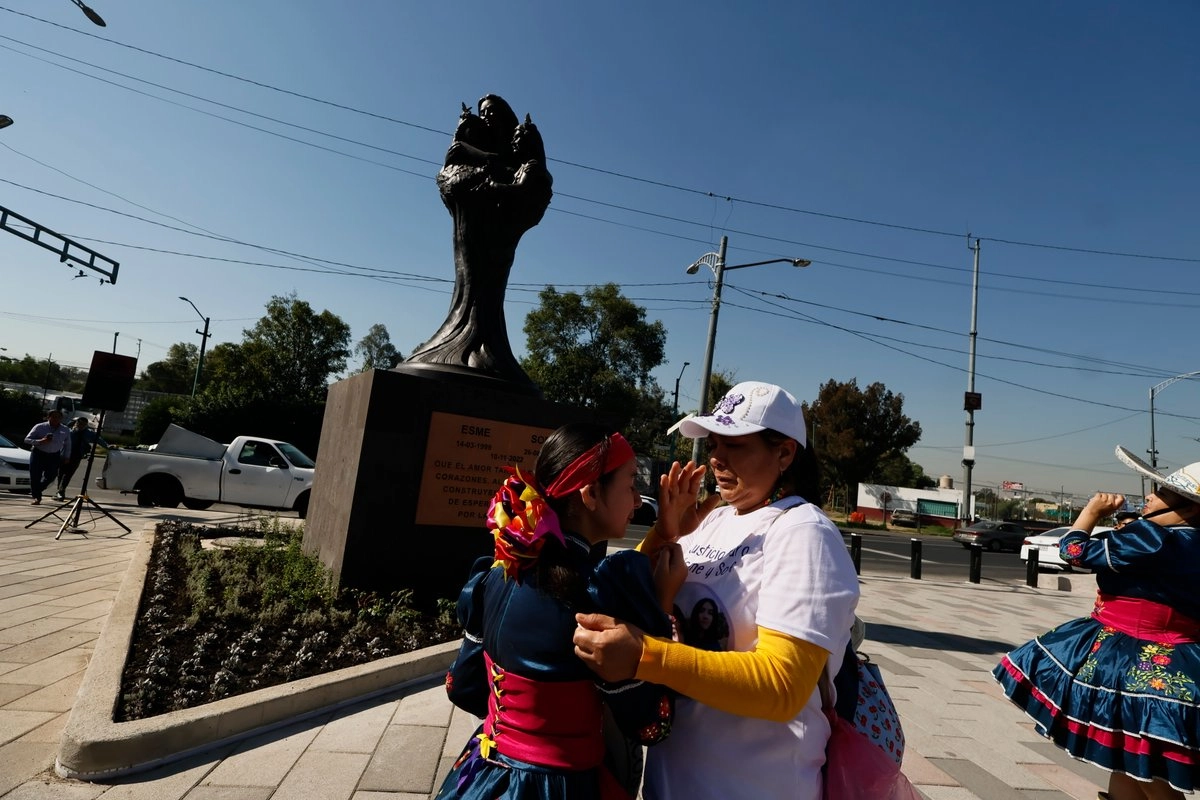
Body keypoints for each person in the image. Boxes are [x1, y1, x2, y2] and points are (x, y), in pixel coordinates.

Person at [573, 380, 861, 800]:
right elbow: (625, 596)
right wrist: (664, 533)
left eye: (735, 445)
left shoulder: (805, 532)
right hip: (669, 785)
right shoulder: (713, 520)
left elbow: (783, 685)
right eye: (713, 444)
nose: (716, 458)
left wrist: (646, 657)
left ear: (784, 453)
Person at [434, 423, 680, 800]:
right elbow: (651, 725)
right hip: (560, 787)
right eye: (631, 484)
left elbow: (463, 688)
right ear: (591, 493)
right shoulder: (599, 601)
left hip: (482, 775)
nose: (637, 501)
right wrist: (663, 610)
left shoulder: (495, 577)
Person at [994, 446, 1200, 800]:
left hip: (1129, 662)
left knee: (1147, 773)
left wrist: (1091, 512)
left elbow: (1073, 552)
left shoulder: (1153, 539)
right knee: (1128, 763)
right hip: (1180, 663)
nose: (1150, 497)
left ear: (1191, 508)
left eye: (1163, 493)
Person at [24, 409, 71, 505]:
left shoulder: (65, 429)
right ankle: (37, 497)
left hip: (54, 455)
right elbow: (27, 439)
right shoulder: (40, 426)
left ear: (61, 418)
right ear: (48, 417)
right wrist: (40, 441)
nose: (56, 419)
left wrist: (67, 456)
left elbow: (68, 444)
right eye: (53, 416)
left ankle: (38, 489)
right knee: (35, 476)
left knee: (51, 476)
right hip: (38, 453)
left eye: (58, 417)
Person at [54, 417, 105, 501]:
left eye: (83, 424)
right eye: (79, 423)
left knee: (68, 474)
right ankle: (59, 491)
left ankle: (61, 491)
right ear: (76, 423)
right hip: (64, 455)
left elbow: (99, 440)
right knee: (60, 473)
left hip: (76, 456)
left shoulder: (88, 433)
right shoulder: (69, 431)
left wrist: (108, 446)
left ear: (86, 425)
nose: (81, 426)